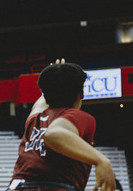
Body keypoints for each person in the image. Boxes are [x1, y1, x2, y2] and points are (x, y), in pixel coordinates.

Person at [7, 59, 116, 191]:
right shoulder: (78, 116)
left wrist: (54, 78)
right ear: (81, 93)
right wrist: (101, 160)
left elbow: (41, 102)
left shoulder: (34, 119)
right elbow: (54, 135)